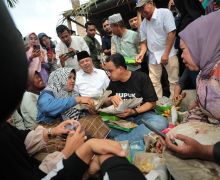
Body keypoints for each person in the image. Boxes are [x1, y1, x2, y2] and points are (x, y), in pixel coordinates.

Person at [0, 2, 146, 179]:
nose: (71, 81)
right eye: (68, 78)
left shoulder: (80, 86)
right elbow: (48, 107)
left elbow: (78, 109)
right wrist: (76, 103)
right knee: (89, 124)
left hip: (61, 128)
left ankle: (109, 147)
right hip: (52, 131)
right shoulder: (49, 92)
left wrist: (94, 105)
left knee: (92, 119)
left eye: (73, 78)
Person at [158, 9, 220, 164]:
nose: (182, 56)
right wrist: (177, 134)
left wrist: (204, 151)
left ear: (204, 44)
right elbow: (199, 109)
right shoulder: (203, 75)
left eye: (184, 50)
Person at [104, 53, 168, 142]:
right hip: (122, 120)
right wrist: (110, 99)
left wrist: (133, 111)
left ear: (120, 69)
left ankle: (118, 141)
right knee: (103, 127)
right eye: (107, 71)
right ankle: (137, 134)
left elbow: (152, 103)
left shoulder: (141, 77)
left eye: (110, 71)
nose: (108, 74)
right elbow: (105, 102)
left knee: (161, 122)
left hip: (142, 116)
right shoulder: (113, 82)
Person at [136, 0, 179, 98]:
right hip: (153, 55)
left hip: (169, 52)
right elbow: (143, 43)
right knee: (154, 82)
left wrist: (166, 53)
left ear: (150, 3)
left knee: (173, 80)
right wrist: (141, 53)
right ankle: (159, 104)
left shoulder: (164, 13)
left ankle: (175, 105)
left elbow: (171, 33)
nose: (142, 11)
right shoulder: (143, 24)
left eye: (143, 7)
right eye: (140, 9)